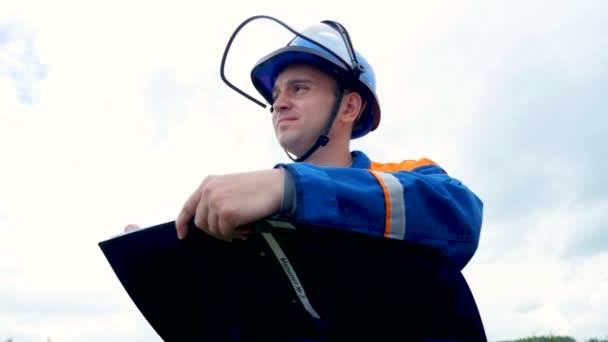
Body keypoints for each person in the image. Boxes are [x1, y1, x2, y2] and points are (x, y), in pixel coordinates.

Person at [125, 18, 484, 341]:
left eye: (299, 88)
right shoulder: (252, 221)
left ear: (348, 107)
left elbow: (463, 219)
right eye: (276, 95)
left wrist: (291, 187)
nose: (278, 104)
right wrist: (171, 269)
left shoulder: (407, 174)